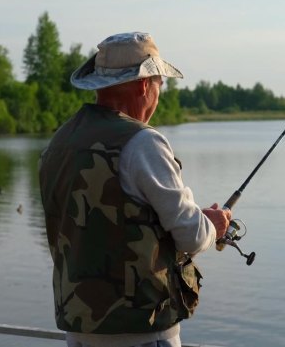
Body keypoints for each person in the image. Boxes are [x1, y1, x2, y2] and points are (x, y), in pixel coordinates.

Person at [38, 32, 230, 347]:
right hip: (142, 333)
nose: (159, 94)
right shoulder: (143, 142)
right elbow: (191, 236)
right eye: (160, 85)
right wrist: (214, 225)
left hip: (79, 332)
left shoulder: (60, 142)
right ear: (144, 85)